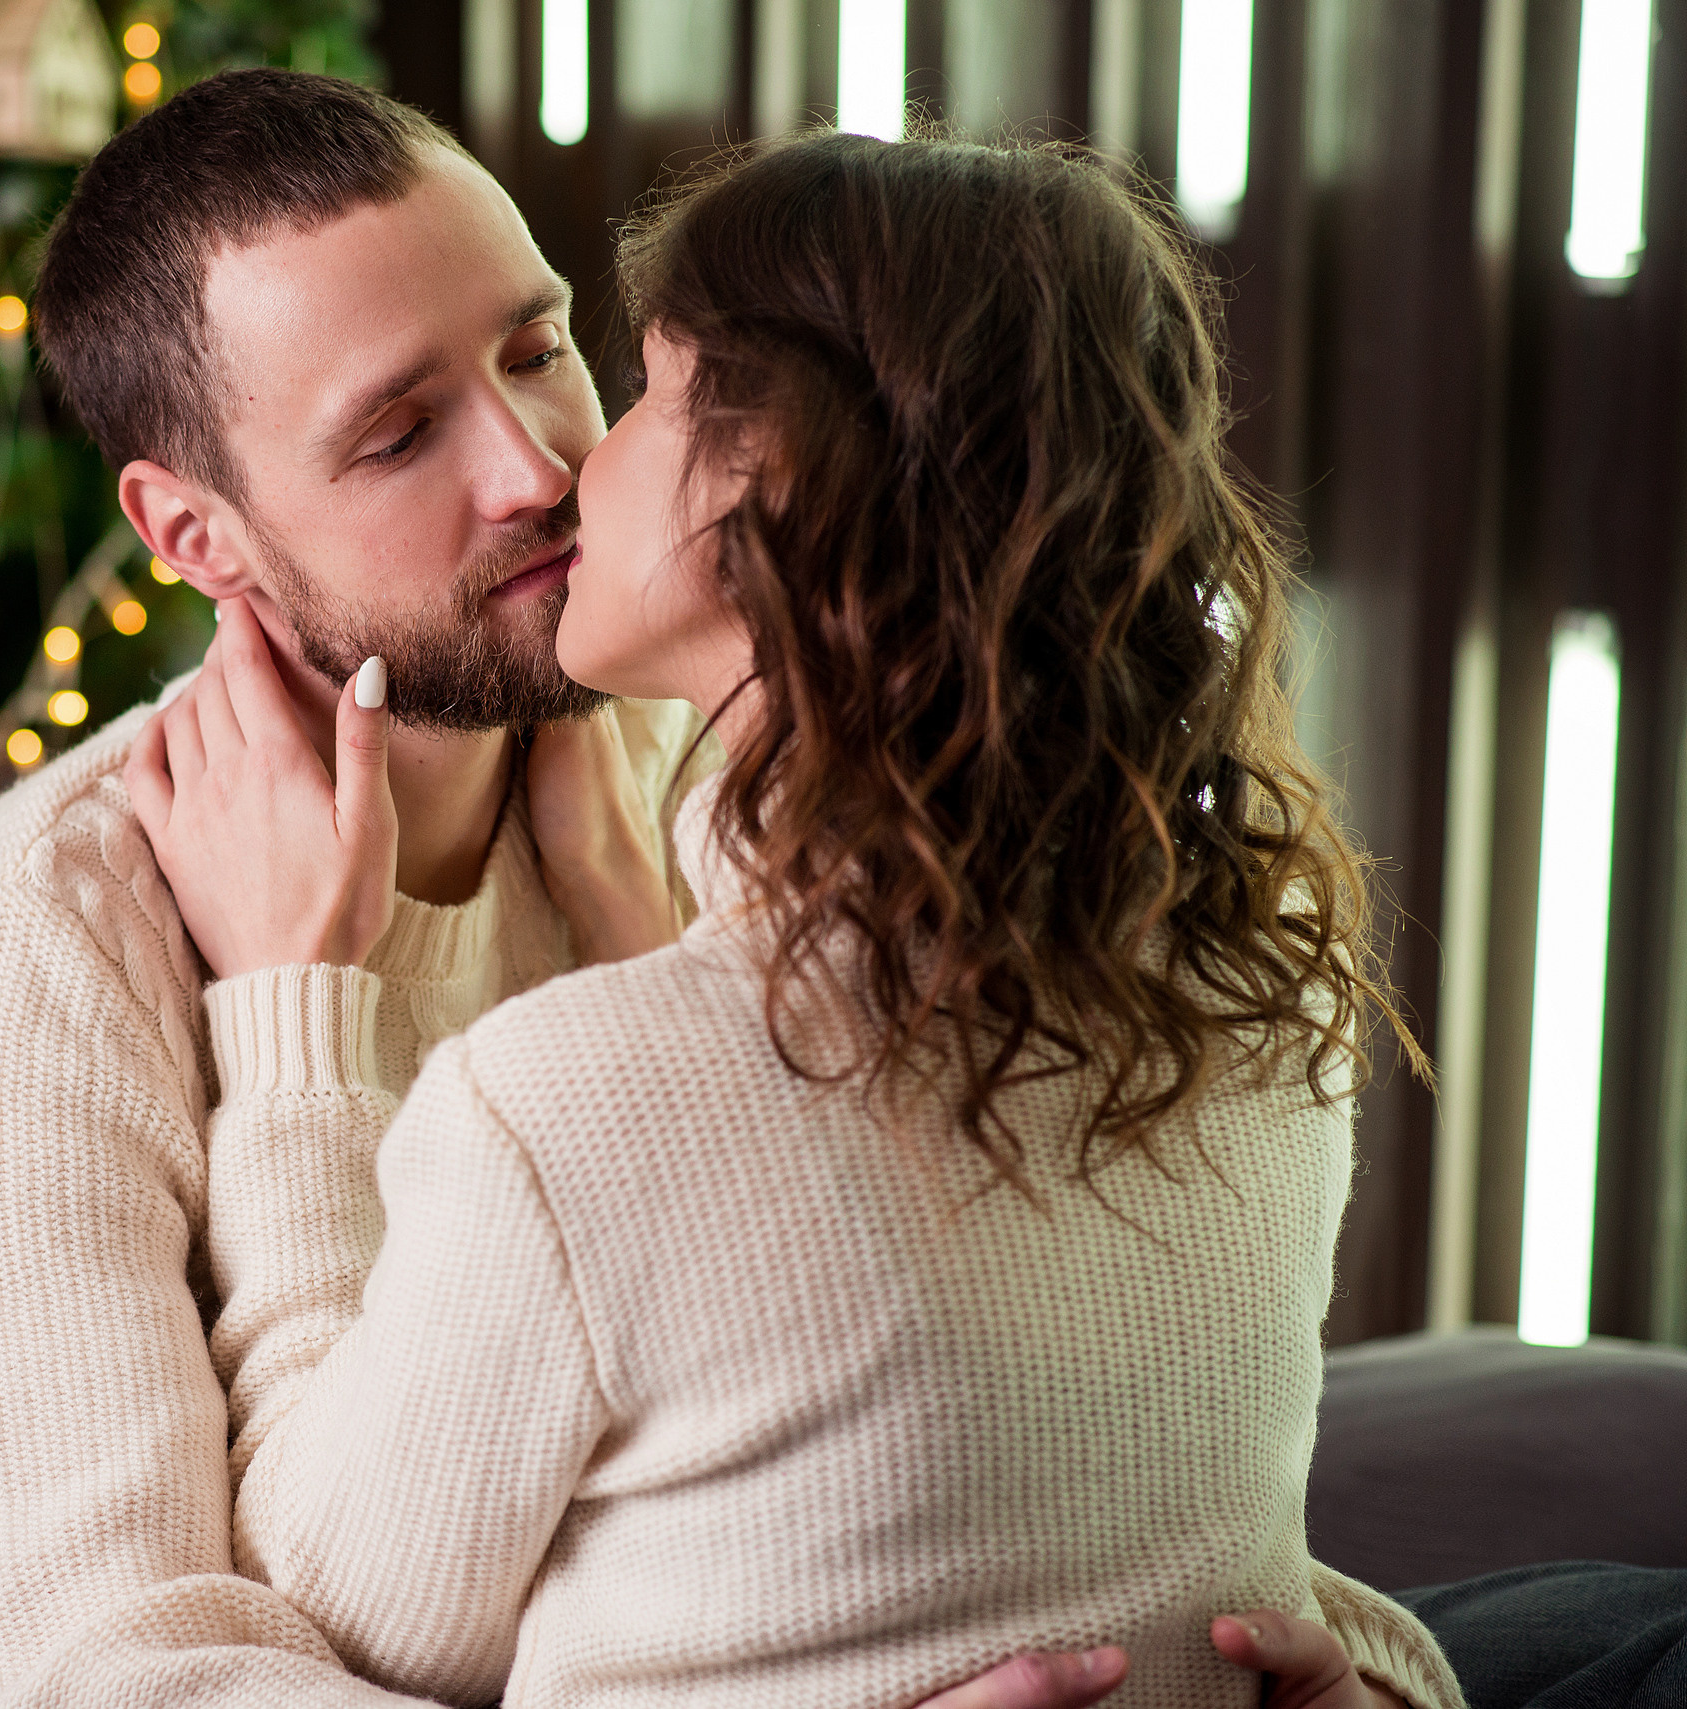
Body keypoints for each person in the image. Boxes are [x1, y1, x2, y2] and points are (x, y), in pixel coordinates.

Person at [0, 73, 1680, 1709]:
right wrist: (292, 1031)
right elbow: (105, 1670)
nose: (532, 467)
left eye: (539, 346)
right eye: (392, 431)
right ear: (196, 539)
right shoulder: (42, 934)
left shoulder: (723, 713)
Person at [126, 128, 1460, 1706]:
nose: (569, 466)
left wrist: (294, 1035)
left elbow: (351, 1615)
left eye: (653, 389)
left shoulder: (561, 1109)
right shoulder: (1255, 993)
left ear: (786, 484)